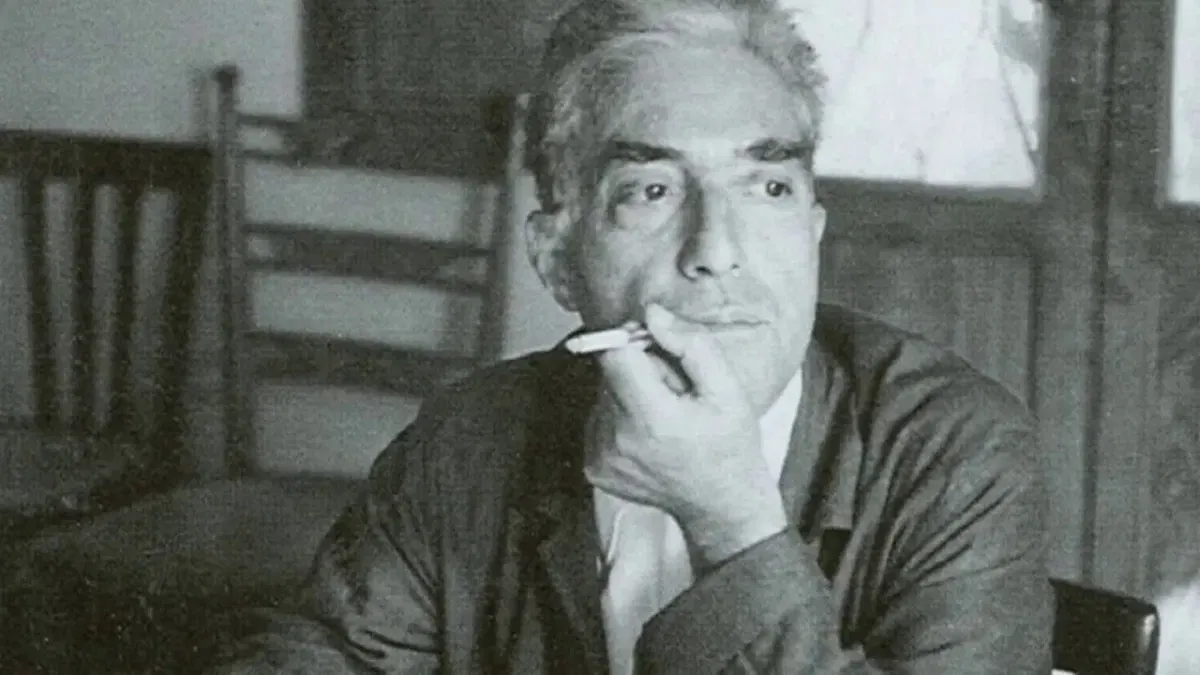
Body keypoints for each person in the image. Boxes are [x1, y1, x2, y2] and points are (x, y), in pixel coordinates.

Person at [207, 0, 1053, 672]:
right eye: (652, 190)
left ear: (814, 229)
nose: (717, 250)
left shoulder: (956, 450)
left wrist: (733, 524)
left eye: (768, 187)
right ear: (557, 259)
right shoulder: (469, 438)